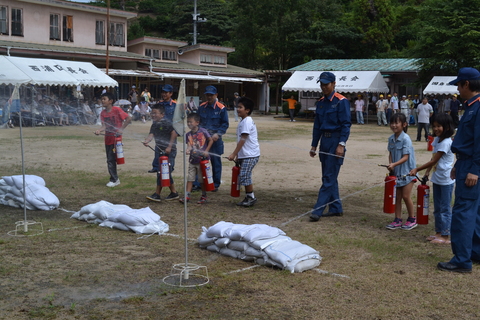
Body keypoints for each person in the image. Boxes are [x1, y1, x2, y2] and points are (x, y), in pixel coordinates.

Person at [437, 67, 480, 273]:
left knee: (462, 212)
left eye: (459, 85)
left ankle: (462, 260)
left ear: (467, 84)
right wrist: (458, 163)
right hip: (466, 163)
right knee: (474, 212)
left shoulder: (477, 107)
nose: (458, 89)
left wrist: (474, 169)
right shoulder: (471, 106)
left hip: (472, 166)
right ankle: (475, 252)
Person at [309, 72, 351, 221]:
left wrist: (341, 144)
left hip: (335, 141)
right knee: (328, 176)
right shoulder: (321, 102)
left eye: (326, 84)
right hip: (324, 143)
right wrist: (314, 145)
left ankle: (318, 210)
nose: (323, 87)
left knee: (328, 177)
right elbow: (317, 126)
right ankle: (335, 207)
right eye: (321, 84)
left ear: (334, 84)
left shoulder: (341, 101)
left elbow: (346, 125)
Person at [410, 113, 455, 243]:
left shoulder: (446, 143)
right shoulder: (437, 140)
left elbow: (434, 159)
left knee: (445, 208)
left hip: (446, 180)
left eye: (439, 126)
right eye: (434, 126)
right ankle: (438, 233)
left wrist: (417, 169)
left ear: (447, 127)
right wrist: (427, 172)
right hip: (437, 178)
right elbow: (433, 159)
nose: (436, 129)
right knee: (437, 208)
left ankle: (446, 236)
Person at [385, 113, 417, 230]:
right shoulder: (391, 139)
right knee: (396, 197)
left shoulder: (406, 139)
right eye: (392, 123)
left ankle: (412, 219)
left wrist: (394, 164)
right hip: (397, 174)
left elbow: (405, 157)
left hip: (408, 172)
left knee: (405, 196)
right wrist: (391, 165)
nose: (394, 125)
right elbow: (391, 154)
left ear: (404, 124)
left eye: (396, 123)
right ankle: (397, 219)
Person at [227, 97, 260, 207]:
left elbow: (243, 139)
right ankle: (249, 196)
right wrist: (239, 155)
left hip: (251, 155)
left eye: (240, 107)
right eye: (237, 107)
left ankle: (251, 197)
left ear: (247, 110)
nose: (238, 109)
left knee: (245, 175)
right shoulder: (243, 121)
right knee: (244, 175)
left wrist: (234, 153)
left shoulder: (247, 121)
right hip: (246, 155)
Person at [94, 92, 131, 187]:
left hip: (117, 140)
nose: (102, 101)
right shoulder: (102, 113)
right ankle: (114, 179)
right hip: (108, 139)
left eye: (104, 99)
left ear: (111, 101)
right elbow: (104, 126)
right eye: (102, 99)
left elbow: (128, 118)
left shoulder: (117, 110)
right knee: (110, 159)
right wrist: (99, 130)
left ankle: (114, 179)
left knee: (114, 159)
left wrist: (121, 129)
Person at [143, 104, 179, 202]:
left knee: (163, 172)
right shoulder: (154, 124)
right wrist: (147, 140)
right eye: (152, 113)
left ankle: (157, 194)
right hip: (159, 151)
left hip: (169, 152)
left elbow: (174, 133)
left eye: (155, 113)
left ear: (162, 114)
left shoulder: (167, 123)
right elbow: (151, 134)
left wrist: (169, 146)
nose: (153, 115)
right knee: (163, 172)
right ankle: (174, 193)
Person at [197, 85, 229, 191]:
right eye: (207, 95)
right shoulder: (201, 107)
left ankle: (215, 184)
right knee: (200, 161)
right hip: (203, 140)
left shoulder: (221, 108)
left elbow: (225, 124)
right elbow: (198, 122)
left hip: (215, 140)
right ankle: (199, 183)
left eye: (211, 95)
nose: (209, 97)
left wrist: (218, 134)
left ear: (216, 95)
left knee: (216, 162)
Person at [180, 113, 213, 204]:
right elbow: (189, 146)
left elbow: (211, 140)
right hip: (192, 160)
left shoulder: (203, 131)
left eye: (191, 122)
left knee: (202, 180)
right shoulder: (188, 135)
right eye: (188, 122)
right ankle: (187, 196)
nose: (189, 124)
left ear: (197, 122)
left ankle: (204, 196)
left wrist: (206, 151)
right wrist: (188, 150)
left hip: (202, 161)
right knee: (190, 178)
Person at [149, 84, 177, 173]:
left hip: (171, 132)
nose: (164, 94)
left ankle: (170, 166)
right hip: (160, 132)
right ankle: (156, 166)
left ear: (171, 93)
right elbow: (154, 119)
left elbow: (179, 120)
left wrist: (177, 131)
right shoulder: (159, 104)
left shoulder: (176, 105)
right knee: (158, 148)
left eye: (166, 92)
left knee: (170, 149)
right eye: (163, 92)